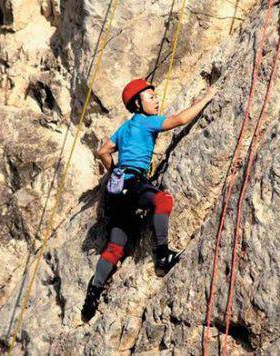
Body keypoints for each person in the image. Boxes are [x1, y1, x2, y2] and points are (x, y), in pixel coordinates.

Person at [81, 78, 217, 321]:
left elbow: (102, 151)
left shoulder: (125, 127)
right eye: (151, 97)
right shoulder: (146, 123)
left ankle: (92, 296)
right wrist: (207, 98)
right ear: (137, 103)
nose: (156, 101)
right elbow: (180, 120)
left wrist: (115, 172)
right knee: (163, 201)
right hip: (133, 183)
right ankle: (162, 255)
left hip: (115, 191)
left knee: (115, 247)